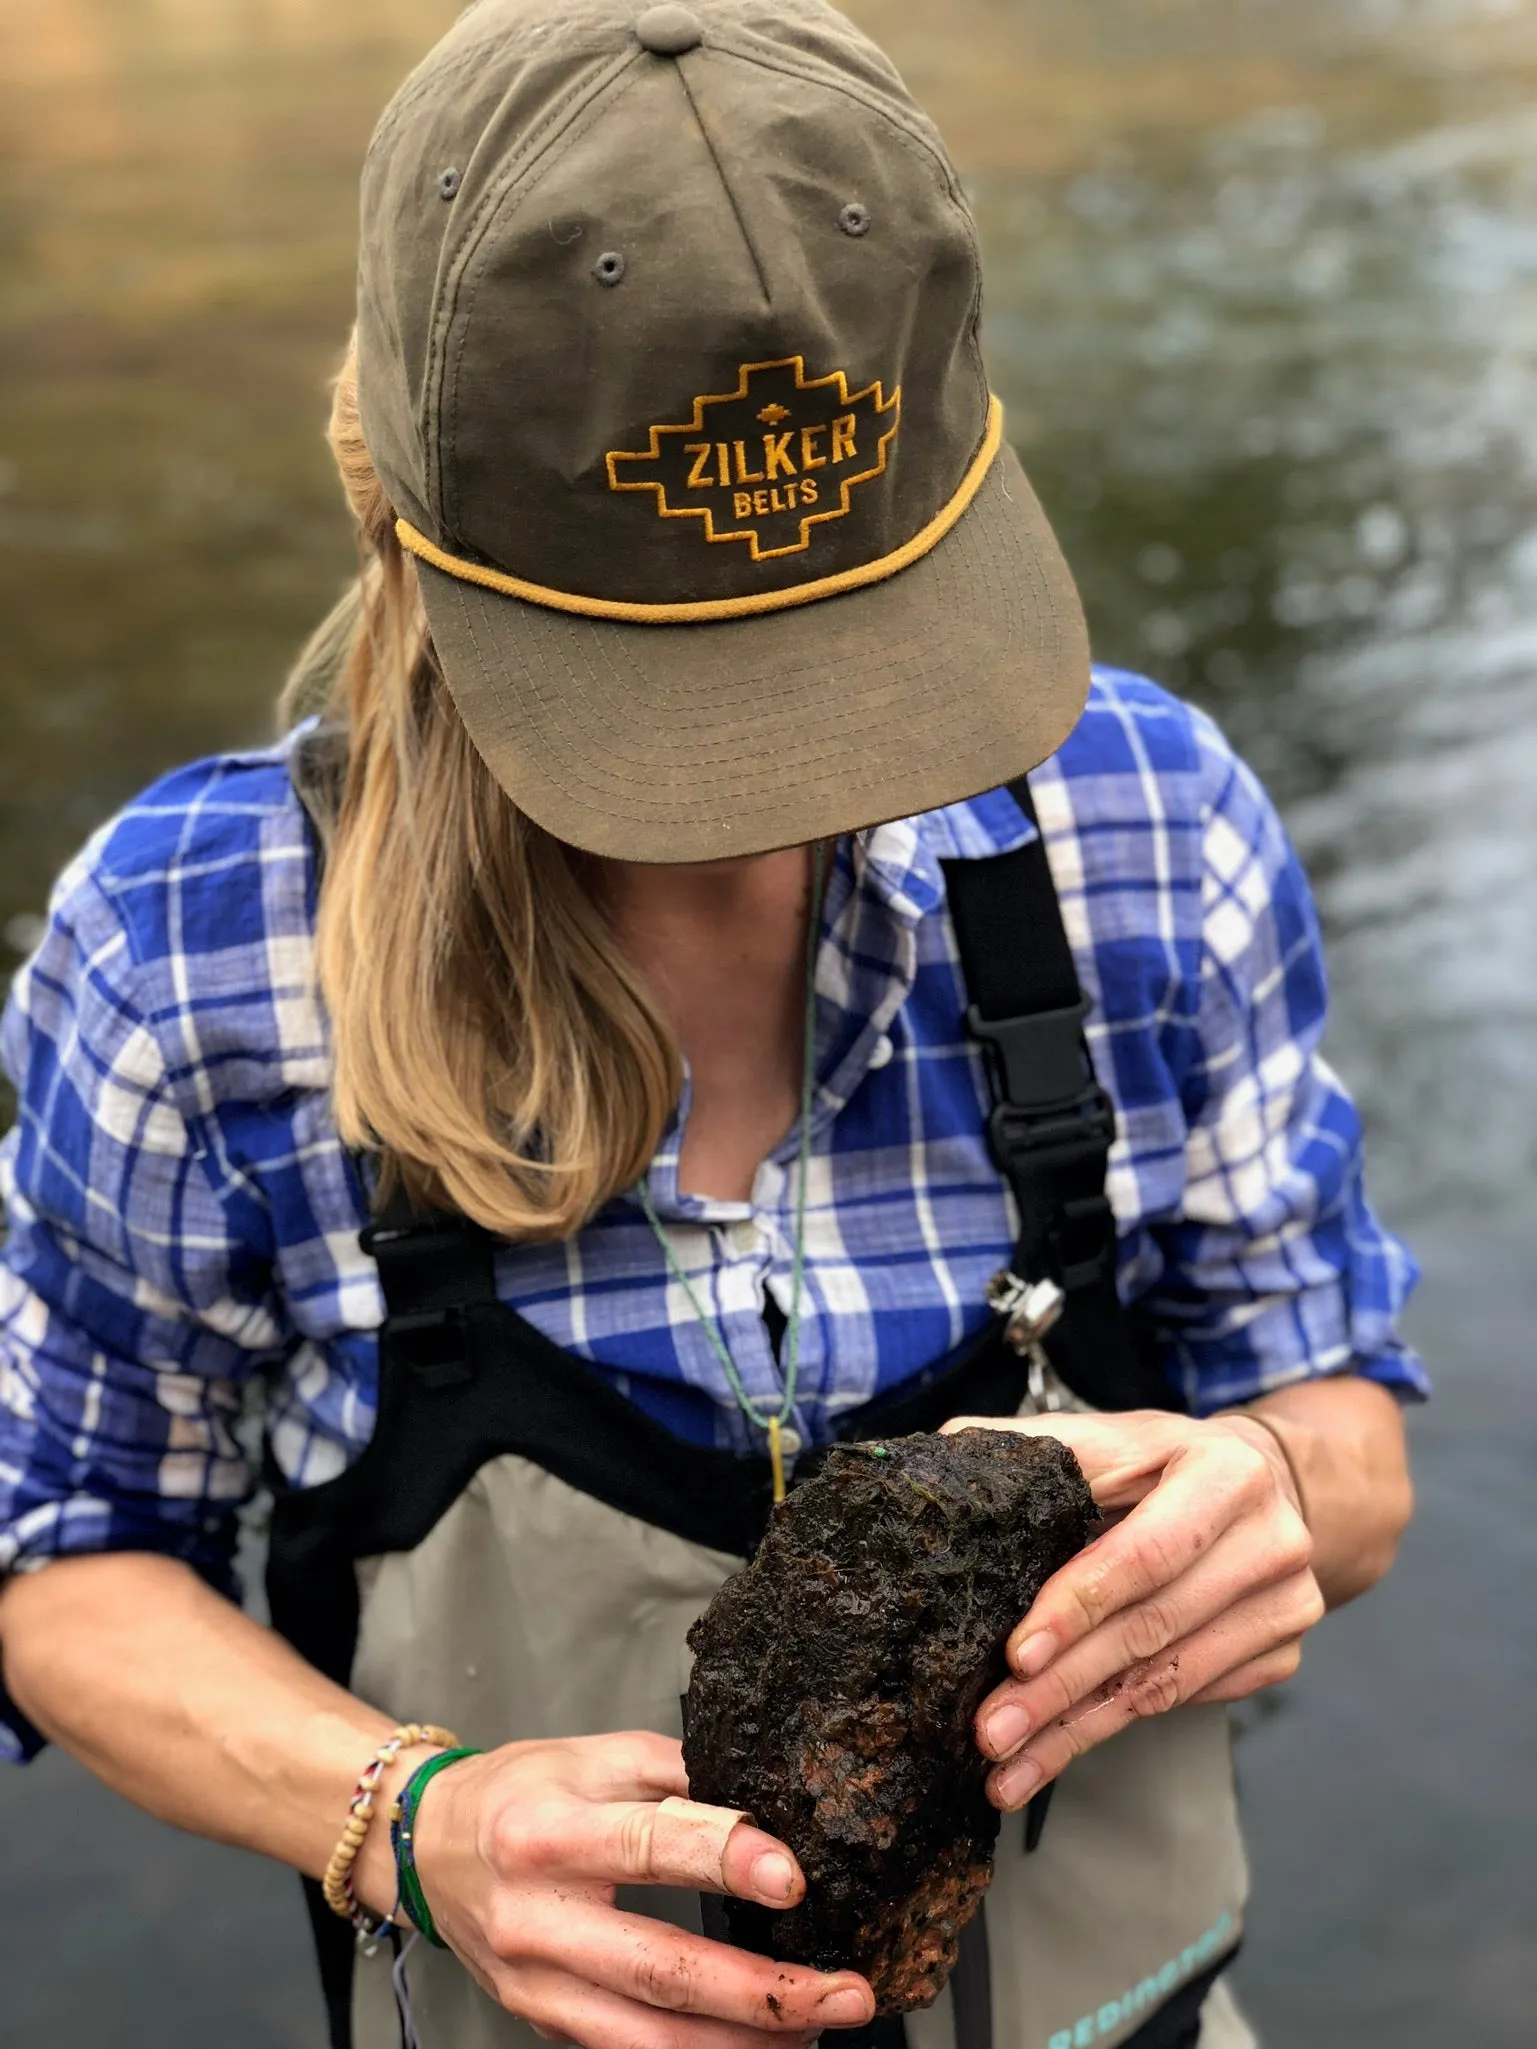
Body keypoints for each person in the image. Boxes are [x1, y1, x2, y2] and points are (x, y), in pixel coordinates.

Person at [0, 5, 1420, 2049]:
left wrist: (1278, 1484)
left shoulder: (1150, 823)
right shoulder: (195, 943)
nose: (792, 790)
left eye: (853, 657)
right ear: (392, 495)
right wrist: (401, 1815)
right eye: (680, 703)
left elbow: (1347, 1422)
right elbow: (61, 1559)